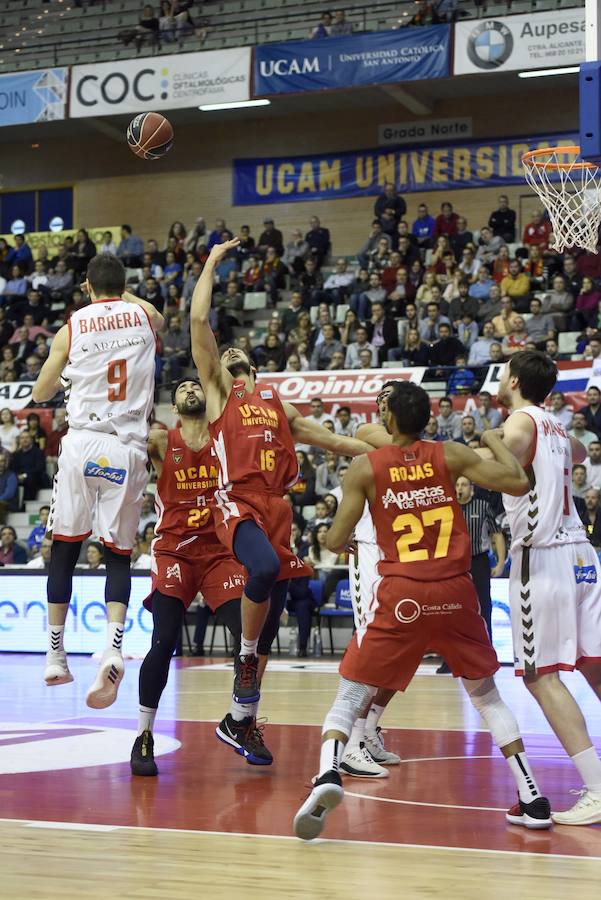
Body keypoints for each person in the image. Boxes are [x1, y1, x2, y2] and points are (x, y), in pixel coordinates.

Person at [293, 381, 552, 840]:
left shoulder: (366, 468)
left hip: (403, 594)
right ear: (428, 419)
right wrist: (493, 440)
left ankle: (329, 774)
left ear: (388, 419)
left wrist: (361, 524)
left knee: (351, 692)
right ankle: (532, 797)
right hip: (455, 591)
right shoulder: (450, 454)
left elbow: (332, 542)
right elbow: (518, 481)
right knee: (487, 697)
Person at [190, 239, 372, 720]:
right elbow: (197, 322)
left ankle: (241, 717)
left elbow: (335, 442)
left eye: (236, 353)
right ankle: (245, 659)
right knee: (264, 571)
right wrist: (211, 262)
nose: (226, 352)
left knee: (272, 618)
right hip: (236, 502)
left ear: (252, 369)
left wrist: (388, 450)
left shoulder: (277, 405)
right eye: (221, 353)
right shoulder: (217, 395)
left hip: (277, 506)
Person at [32, 254, 163, 707]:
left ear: (86, 286)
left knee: (65, 548)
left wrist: (66, 376)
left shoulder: (72, 327)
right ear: (123, 286)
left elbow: (39, 392)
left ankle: (55, 656)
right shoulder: (144, 316)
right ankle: (113, 644)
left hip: (82, 444)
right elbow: (158, 317)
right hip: (126, 448)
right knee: (118, 556)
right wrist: (121, 295)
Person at [131, 378, 277, 775]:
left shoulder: (224, 440)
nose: (191, 389)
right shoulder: (161, 441)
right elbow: (122, 447)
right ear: (173, 407)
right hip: (174, 549)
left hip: (218, 553)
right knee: (163, 643)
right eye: (182, 388)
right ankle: (144, 734)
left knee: (250, 637)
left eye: (197, 385)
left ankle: (240, 722)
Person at [492, 351, 601, 824]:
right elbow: (576, 452)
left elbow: (503, 454)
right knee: (595, 666)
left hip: (545, 557)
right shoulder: (556, 424)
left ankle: (597, 790)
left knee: (540, 676)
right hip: (583, 555)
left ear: (514, 380)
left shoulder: (520, 421)